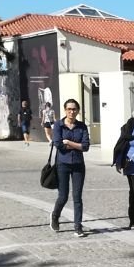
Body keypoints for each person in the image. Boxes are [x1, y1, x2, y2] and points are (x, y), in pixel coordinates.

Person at [50, 99, 91, 237]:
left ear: (78, 111)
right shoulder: (58, 125)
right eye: (69, 109)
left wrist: (68, 142)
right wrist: (76, 145)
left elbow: (85, 146)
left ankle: (78, 226)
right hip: (62, 164)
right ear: (65, 110)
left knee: (77, 196)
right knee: (63, 196)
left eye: (74, 109)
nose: (71, 112)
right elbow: (58, 144)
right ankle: (55, 216)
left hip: (78, 165)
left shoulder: (82, 127)